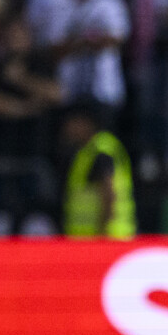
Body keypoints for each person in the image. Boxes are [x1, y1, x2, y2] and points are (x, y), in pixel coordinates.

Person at [61, 102, 136, 239]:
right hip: (88, 240)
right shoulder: (86, 151)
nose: (68, 128)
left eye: (73, 122)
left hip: (106, 239)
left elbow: (109, 194)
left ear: (86, 123)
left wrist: (102, 235)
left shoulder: (101, 152)